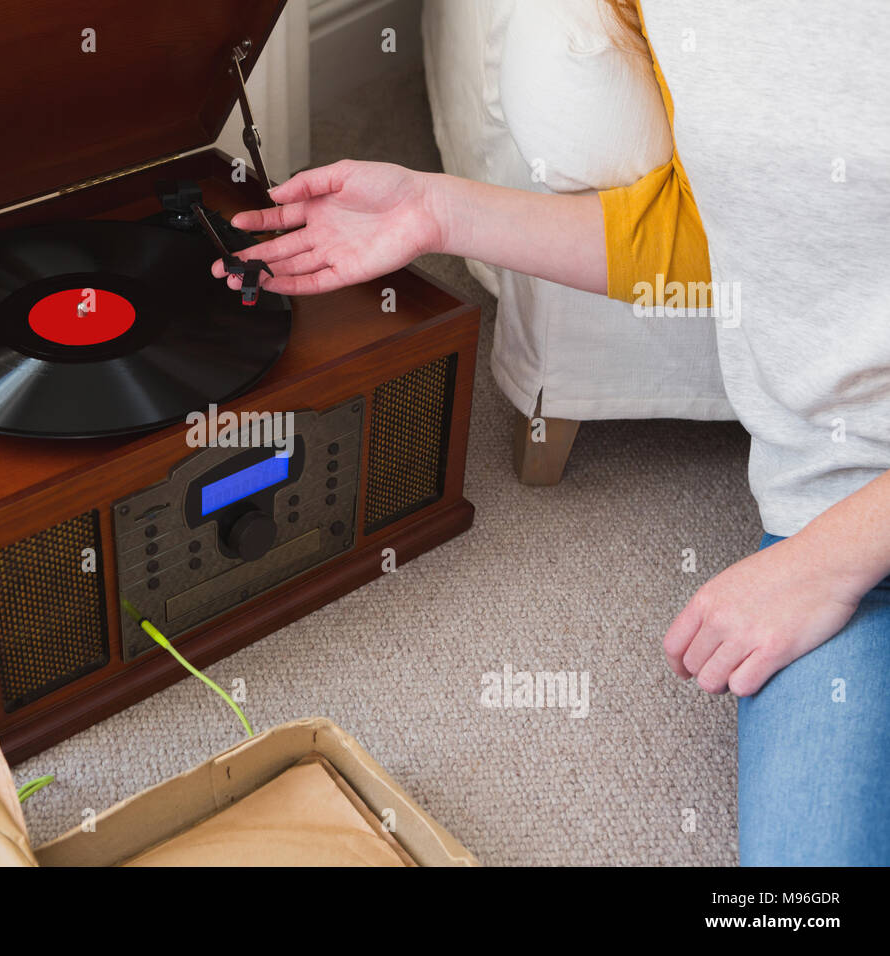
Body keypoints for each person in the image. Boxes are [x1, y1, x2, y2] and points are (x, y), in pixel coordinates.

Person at [214, 0, 890, 866]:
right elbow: (733, 239)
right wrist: (436, 211)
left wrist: (828, 563)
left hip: (834, 548)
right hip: (834, 496)